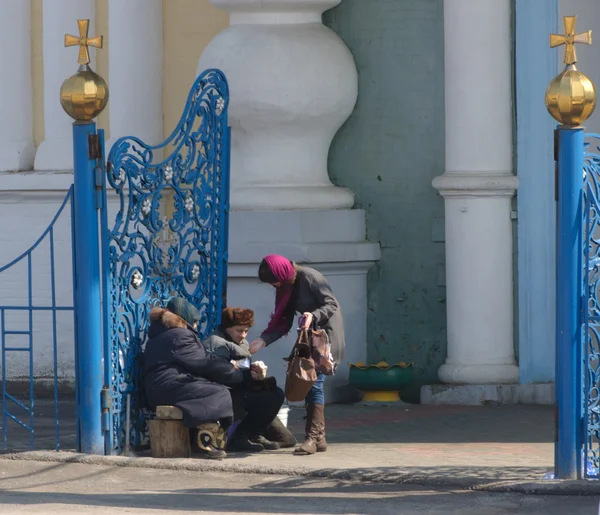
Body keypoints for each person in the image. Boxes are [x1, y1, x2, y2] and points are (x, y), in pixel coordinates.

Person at [249, 254, 344, 456]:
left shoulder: (310, 278)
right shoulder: (286, 286)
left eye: (275, 281)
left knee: (314, 382)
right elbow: (284, 320)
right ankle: (320, 438)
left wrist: (313, 315)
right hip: (309, 338)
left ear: (283, 273)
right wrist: (263, 340)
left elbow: (332, 304)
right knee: (308, 382)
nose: (274, 285)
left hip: (325, 337)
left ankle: (311, 438)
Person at [203, 307, 297, 449]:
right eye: (240, 330)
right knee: (272, 397)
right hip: (223, 395)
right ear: (228, 328)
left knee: (287, 436)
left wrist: (255, 371)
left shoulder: (241, 342)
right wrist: (249, 375)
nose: (243, 335)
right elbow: (221, 373)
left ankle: (254, 434)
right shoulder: (216, 343)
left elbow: (241, 365)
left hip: (239, 389)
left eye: (246, 331)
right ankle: (240, 437)